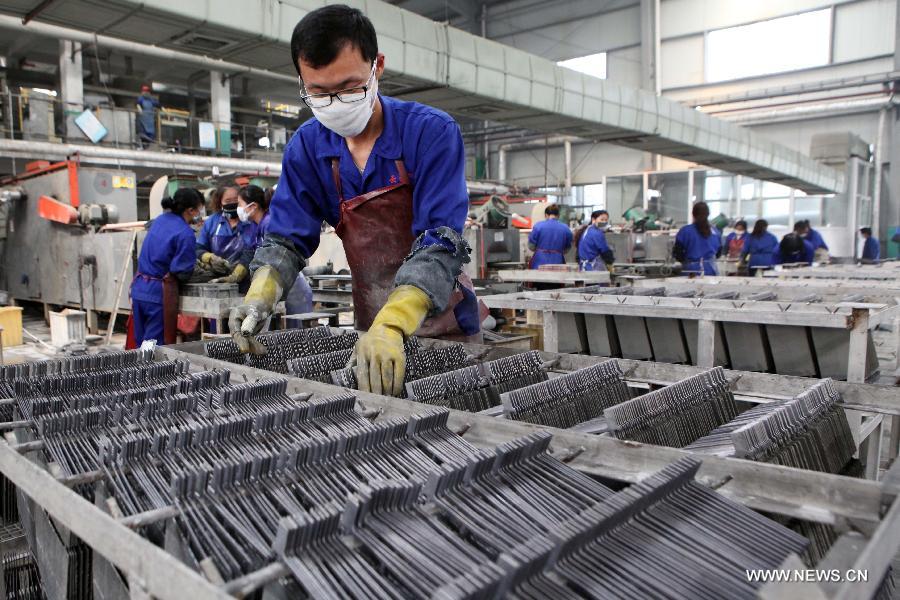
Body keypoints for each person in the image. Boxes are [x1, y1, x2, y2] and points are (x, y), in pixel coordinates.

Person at [228, 5, 482, 396]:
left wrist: (393, 322)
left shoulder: (430, 133)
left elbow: (440, 243)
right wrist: (261, 293)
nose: (336, 103)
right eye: (319, 92)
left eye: (349, 88)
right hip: (369, 324)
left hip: (441, 325)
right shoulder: (307, 148)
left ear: (377, 66)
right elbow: (286, 240)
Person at [130, 188, 203, 346]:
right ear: (190, 210)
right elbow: (181, 272)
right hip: (157, 295)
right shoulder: (185, 233)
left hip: (139, 289)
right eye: (199, 209)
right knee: (154, 347)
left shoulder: (160, 220)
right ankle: (150, 371)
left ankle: (138, 371)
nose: (200, 214)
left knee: (140, 344)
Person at [211, 184, 270, 287]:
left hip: (282, 284)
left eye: (239, 204)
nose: (237, 208)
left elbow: (273, 257)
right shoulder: (254, 226)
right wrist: (236, 275)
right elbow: (249, 251)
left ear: (253, 206)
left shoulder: (269, 224)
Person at [196, 184, 258, 269]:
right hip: (217, 274)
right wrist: (209, 257)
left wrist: (241, 269)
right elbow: (198, 248)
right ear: (220, 203)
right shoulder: (212, 222)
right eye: (228, 201)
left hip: (247, 275)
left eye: (236, 200)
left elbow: (255, 250)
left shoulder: (250, 222)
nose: (233, 204)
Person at [674, 201, 721, 276]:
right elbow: (718, 254)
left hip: (690, 272)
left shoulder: (685, 231)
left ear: (693, 214)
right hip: (710, 271)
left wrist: (686, 262)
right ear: (708, 214)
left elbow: (677, 254)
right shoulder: (715, 232)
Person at [528, 204, 573, 269]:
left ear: (546, 215)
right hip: (558, 262)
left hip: (540, 262)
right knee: (556, 278)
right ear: (558, 215)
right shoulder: (565, 228)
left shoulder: (538, 226)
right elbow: (567, 249)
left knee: (539, 278)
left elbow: (531, 246)